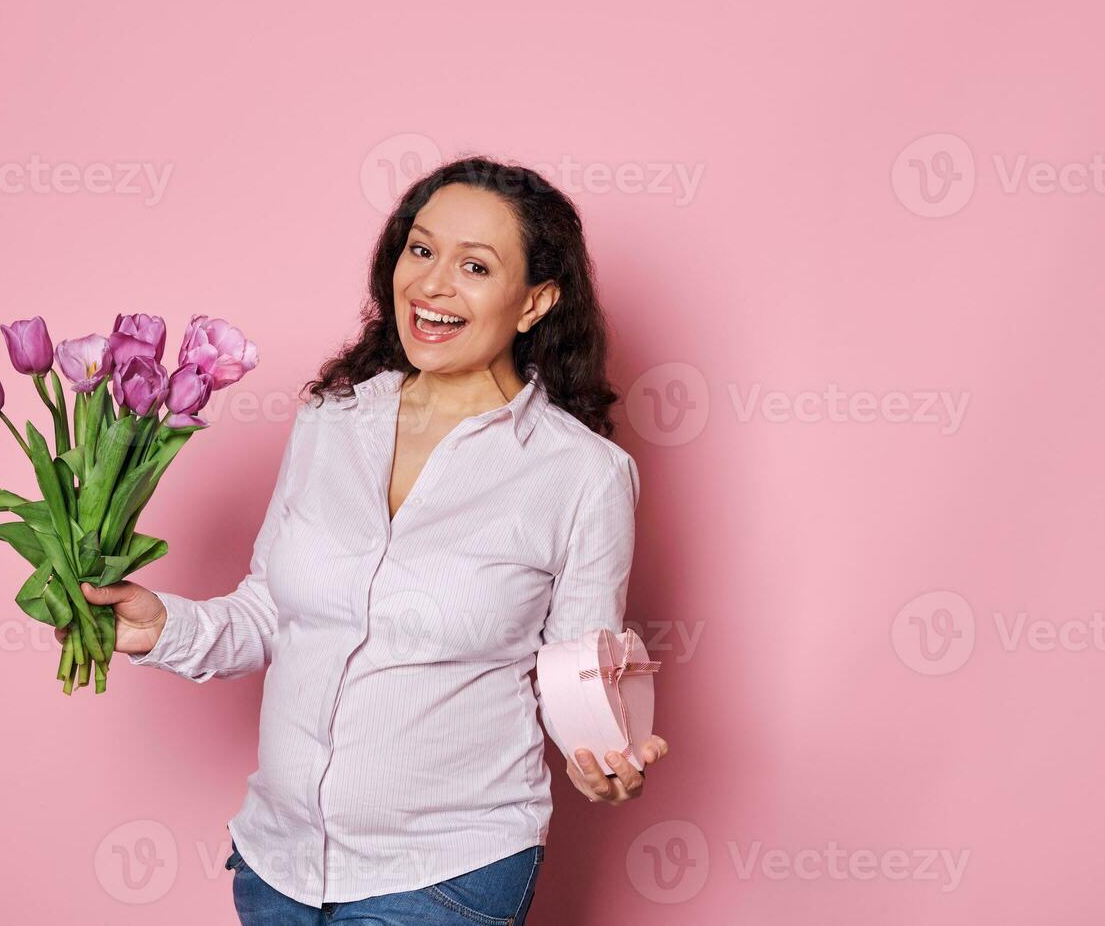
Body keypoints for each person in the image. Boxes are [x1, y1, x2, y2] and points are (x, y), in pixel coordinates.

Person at [68, 156, 671, 925]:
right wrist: (162, 626)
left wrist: (603, 758)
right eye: (420, 250)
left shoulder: (582, 474)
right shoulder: (331, 419)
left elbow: (576, 670)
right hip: (275, 865)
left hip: (445, 876)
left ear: (535, 302)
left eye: (475, 266)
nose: (432, 285)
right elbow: (271, 613)